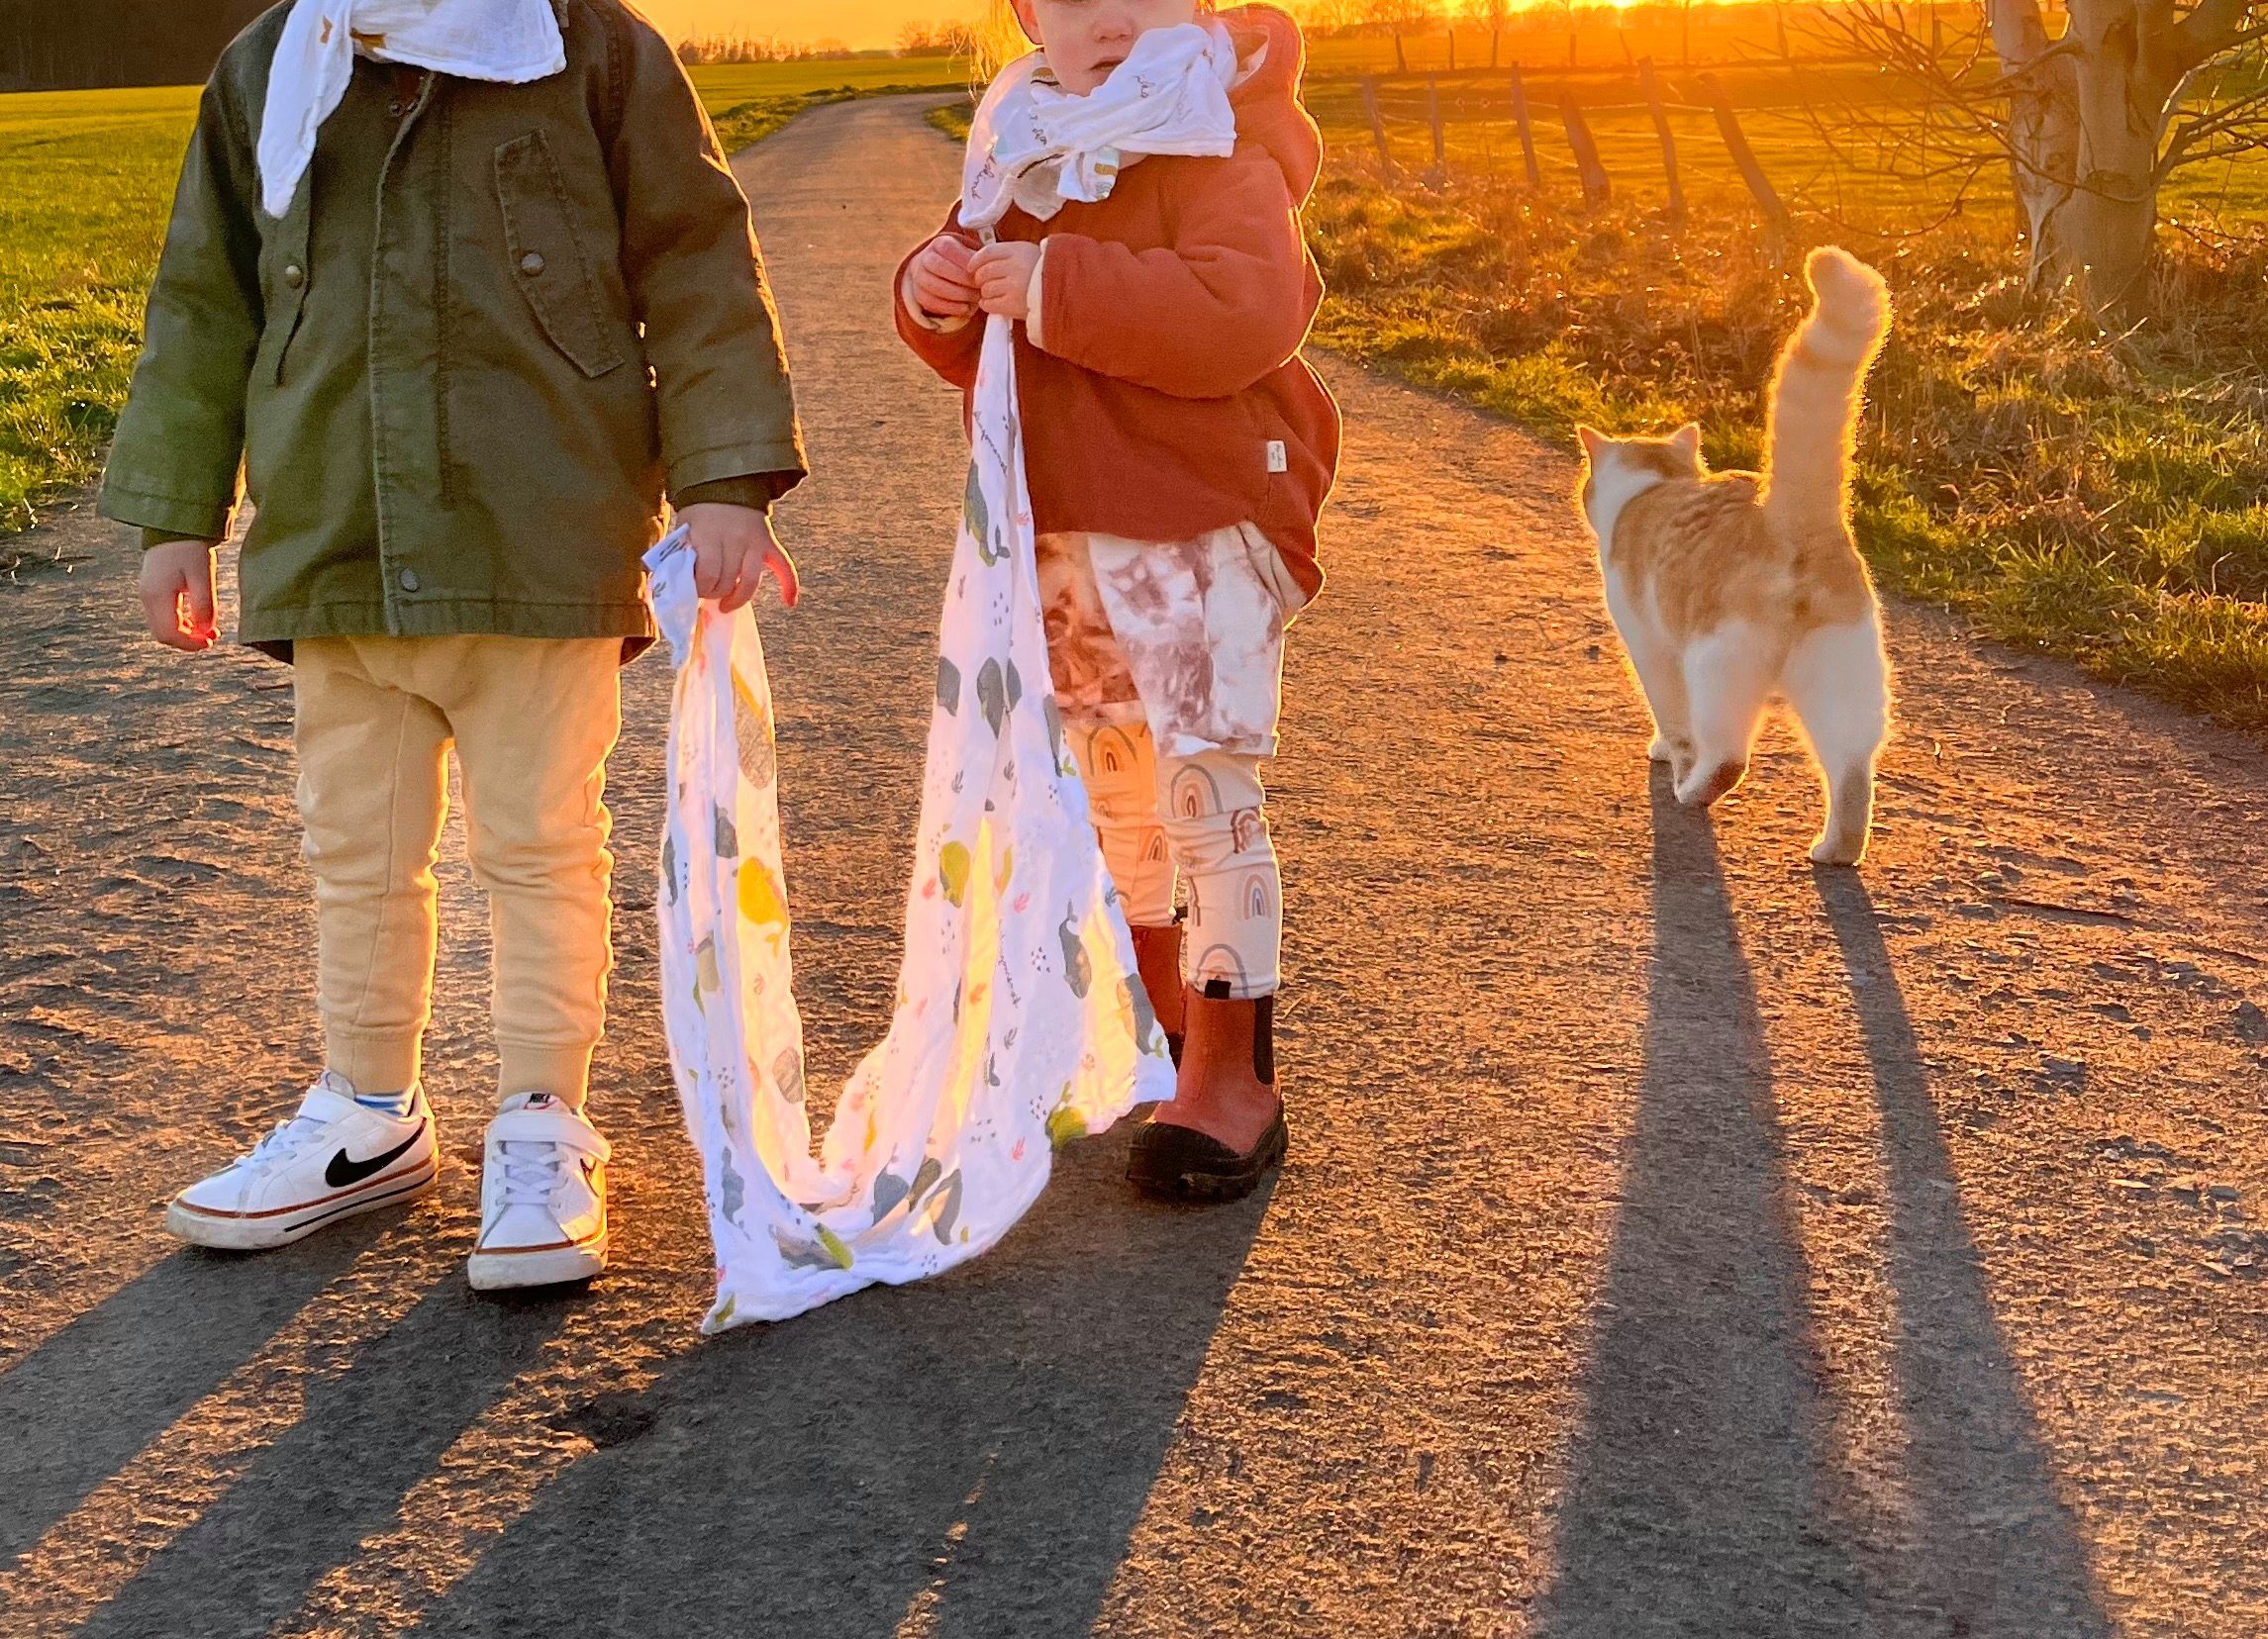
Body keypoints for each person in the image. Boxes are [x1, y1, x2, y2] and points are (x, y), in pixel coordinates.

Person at [100, 0, 806, 1289]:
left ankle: (543, 1122)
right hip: (335, 534)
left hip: (538, 530)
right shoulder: (267, 66)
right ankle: (369, 1115)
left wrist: (722, 479)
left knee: (538, 846)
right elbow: (204, 295)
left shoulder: (589, 49)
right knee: (354, 851)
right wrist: (173, 515)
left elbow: (697, 259)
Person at [896, 0, 1338, 1202]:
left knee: (1201, 788)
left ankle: (1230, 1080)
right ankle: (1163, 1039)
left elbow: (1240, 316)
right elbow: (977, 335)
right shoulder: (1022, 147)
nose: (1104, 17)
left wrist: (1052, 279)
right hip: (1061, 528)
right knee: (1113, 799)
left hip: (1196, 522)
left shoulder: (1214, 143)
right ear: (1026, 17)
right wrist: (934, 287)